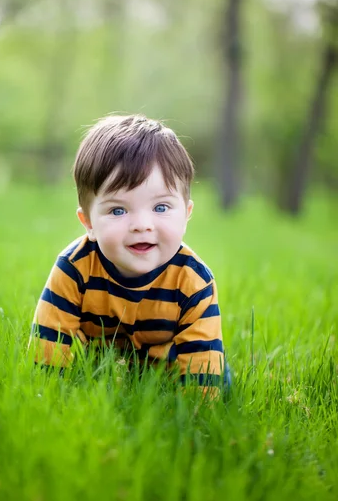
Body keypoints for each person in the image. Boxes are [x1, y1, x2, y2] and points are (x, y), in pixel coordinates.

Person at [30, 114, 230, 397]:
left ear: (186, 215)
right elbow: (50, 338)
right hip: (103, 368)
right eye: (118, 210)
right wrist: (46, 394)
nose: (142, 225)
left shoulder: (194, 281)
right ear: (88, 222)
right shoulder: (74, 268)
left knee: (217, 372)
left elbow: (200, 360)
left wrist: (197, 412)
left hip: (169, 370)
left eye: (161, 207)